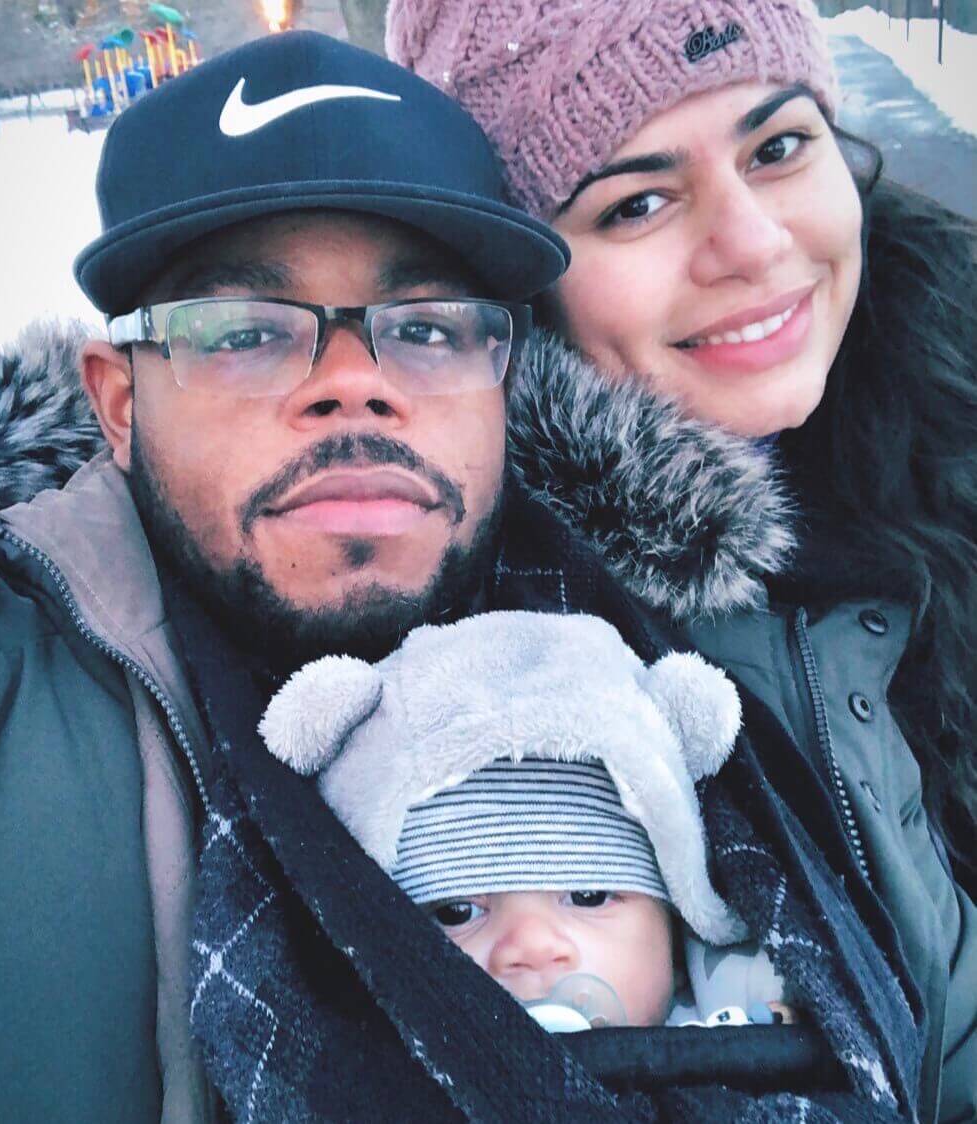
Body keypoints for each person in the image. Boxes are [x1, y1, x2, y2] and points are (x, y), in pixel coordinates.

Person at [0, 29, 917, 1124]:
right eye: (244, 333)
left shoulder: (678, 640)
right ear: (119, 401)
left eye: (428, 327)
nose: (355, 387)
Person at [386, 1, 977, 1120]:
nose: (753, 243)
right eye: (639, 201)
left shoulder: (946, 399)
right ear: (520, 281)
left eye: (779, 146)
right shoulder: (503, 656)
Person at [259, 610, 801, 1035]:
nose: (531, 948)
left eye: (589, 895)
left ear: (676, 933)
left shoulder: (735, 1038)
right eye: (455, 911)